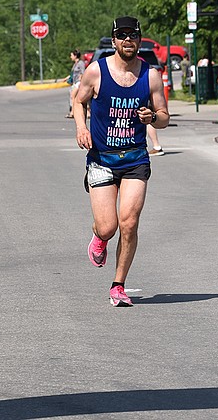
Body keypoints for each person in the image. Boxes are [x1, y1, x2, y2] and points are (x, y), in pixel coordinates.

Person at [72, 16, 169, 307]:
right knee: (108, 227)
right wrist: (81, 127)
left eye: (133, 36)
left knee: (129, 223)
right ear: (114, 40)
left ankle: (118, 285)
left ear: (139, 40)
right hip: (102, 158)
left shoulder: (150, 76)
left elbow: (164, 117)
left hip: (136, 159)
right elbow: (79, 101)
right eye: (122, 35)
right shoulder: (96, 72)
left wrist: (152, 117)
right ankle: (99, 237)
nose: (128, 40)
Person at [66, 49, 86, 118]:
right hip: (75, 82)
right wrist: (67, 78)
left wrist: (81, 82)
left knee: (73, 96)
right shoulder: (75, 64)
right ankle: (74, 112)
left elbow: (83, 72)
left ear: (75, 56)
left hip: (79, 82)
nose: (70, 57)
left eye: (71, 55)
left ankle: (73, 113)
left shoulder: (81, 63)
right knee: (73, 96)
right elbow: (73, 74)